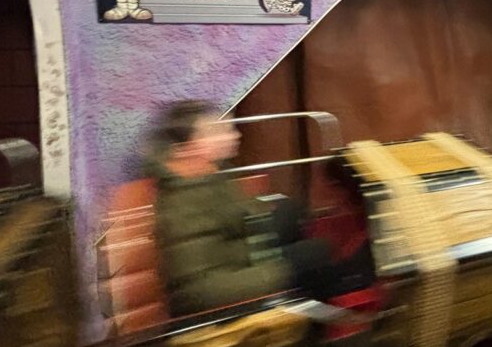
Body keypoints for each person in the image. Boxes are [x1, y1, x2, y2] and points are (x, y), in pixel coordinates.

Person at [146, 100, 358, 317]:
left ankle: (317, 292)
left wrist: (264, 218)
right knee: (317, 254)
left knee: (291, 211)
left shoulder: (209, 171)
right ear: (185, 149)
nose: (233, 135)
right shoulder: (181, 207)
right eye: (217, 131)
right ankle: (322, 327)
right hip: (225, 288)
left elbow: (234, 217)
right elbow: (194, 293)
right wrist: (276, 274)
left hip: (241, 252)